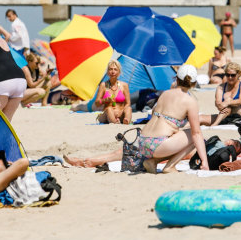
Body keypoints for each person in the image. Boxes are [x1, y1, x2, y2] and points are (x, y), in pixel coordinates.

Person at [64, 65, 209, 173]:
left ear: (176, 79)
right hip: (158, 145)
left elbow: (154, 114)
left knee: (120, 153)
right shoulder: (190, 101)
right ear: (194, 83)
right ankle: (170, 166)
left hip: (143, 140)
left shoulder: (165, 94)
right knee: (196, 136)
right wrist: (204, 162)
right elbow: (196, 134)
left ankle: (152, 162)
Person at [200, 61, 241, 126]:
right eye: (227, 75)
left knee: (230, 105)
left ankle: (215, 125)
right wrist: (221, 105)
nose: (230, 77)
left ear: (239, 74)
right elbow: (218, 103)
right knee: (200, 118)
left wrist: (227, 102)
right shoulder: (221, 87)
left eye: (233, 75)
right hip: (226, 116)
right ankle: (184, 128)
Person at [95, 60, 132, 124]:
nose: (113, 72)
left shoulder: (124, 85)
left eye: (115, 69)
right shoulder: (103, 85)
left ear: (119, 72)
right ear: (107, 72)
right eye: (110, 69)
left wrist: (122, 111)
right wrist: (105, 100)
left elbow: (128, 103)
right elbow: (97, 103)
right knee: (109, 109)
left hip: (120, 113)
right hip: (107, 114)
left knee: (129, 108)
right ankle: (114, 122)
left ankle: (126, 120)